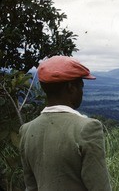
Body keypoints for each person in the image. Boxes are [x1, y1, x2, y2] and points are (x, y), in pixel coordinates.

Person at [19, 56, 112, 191]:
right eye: (81, 86)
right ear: (71, 87)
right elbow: (99, 187)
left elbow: (31, 186)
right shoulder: (87, 128)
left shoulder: (26, 130)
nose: (82, 92)